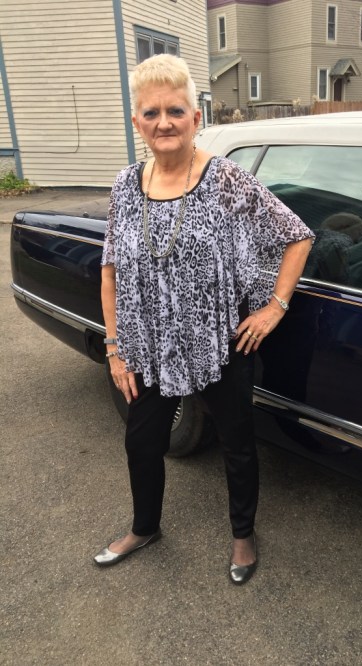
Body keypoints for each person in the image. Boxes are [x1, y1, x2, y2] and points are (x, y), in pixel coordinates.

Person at [94, 54, 314, 585]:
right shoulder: (125, 186)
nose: (164, 122)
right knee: (142, 442)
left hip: (219, 343)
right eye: (152, 113)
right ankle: (144, 528)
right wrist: (115, 349)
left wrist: (274, 307)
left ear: (196, 118)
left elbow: (298, 235)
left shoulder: (226, 180)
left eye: (175, 111)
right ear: (137, 122)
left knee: (236, 443)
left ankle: (243, 535)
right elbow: (110, 272)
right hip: (149, 347)